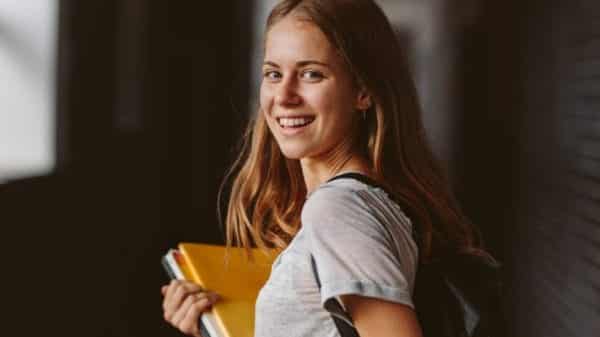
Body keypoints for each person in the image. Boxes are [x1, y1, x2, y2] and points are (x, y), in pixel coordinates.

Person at [161, 0, 492, 336]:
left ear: (363, 90)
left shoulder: (338, 210)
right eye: (273, 74)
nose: (284, 95)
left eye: (311, 74)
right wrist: (211, 327)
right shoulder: (365, 204)